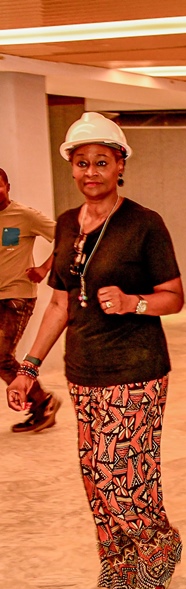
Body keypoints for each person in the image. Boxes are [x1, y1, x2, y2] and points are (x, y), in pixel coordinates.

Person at [6, 112, 185, 589]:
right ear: (72, 167)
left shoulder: (144, 223)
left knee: (124, 476)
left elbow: (174, 297)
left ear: (120, 164)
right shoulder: (66, 224)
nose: (91, 172)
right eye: (82, 162)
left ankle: (158, 555)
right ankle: (118, 568)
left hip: (136, 369)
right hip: (83, 370)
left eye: (101, 162)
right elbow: (60, 303)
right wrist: (29, 368)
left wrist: (133, 303)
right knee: (95, 478)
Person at [0, 167, 58, 433]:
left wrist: (44, 268)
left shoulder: (24, 215)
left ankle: (43, 403)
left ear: (8, 187)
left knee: (1, 357)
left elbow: (67, 239)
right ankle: (41, 402)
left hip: (17, 296)